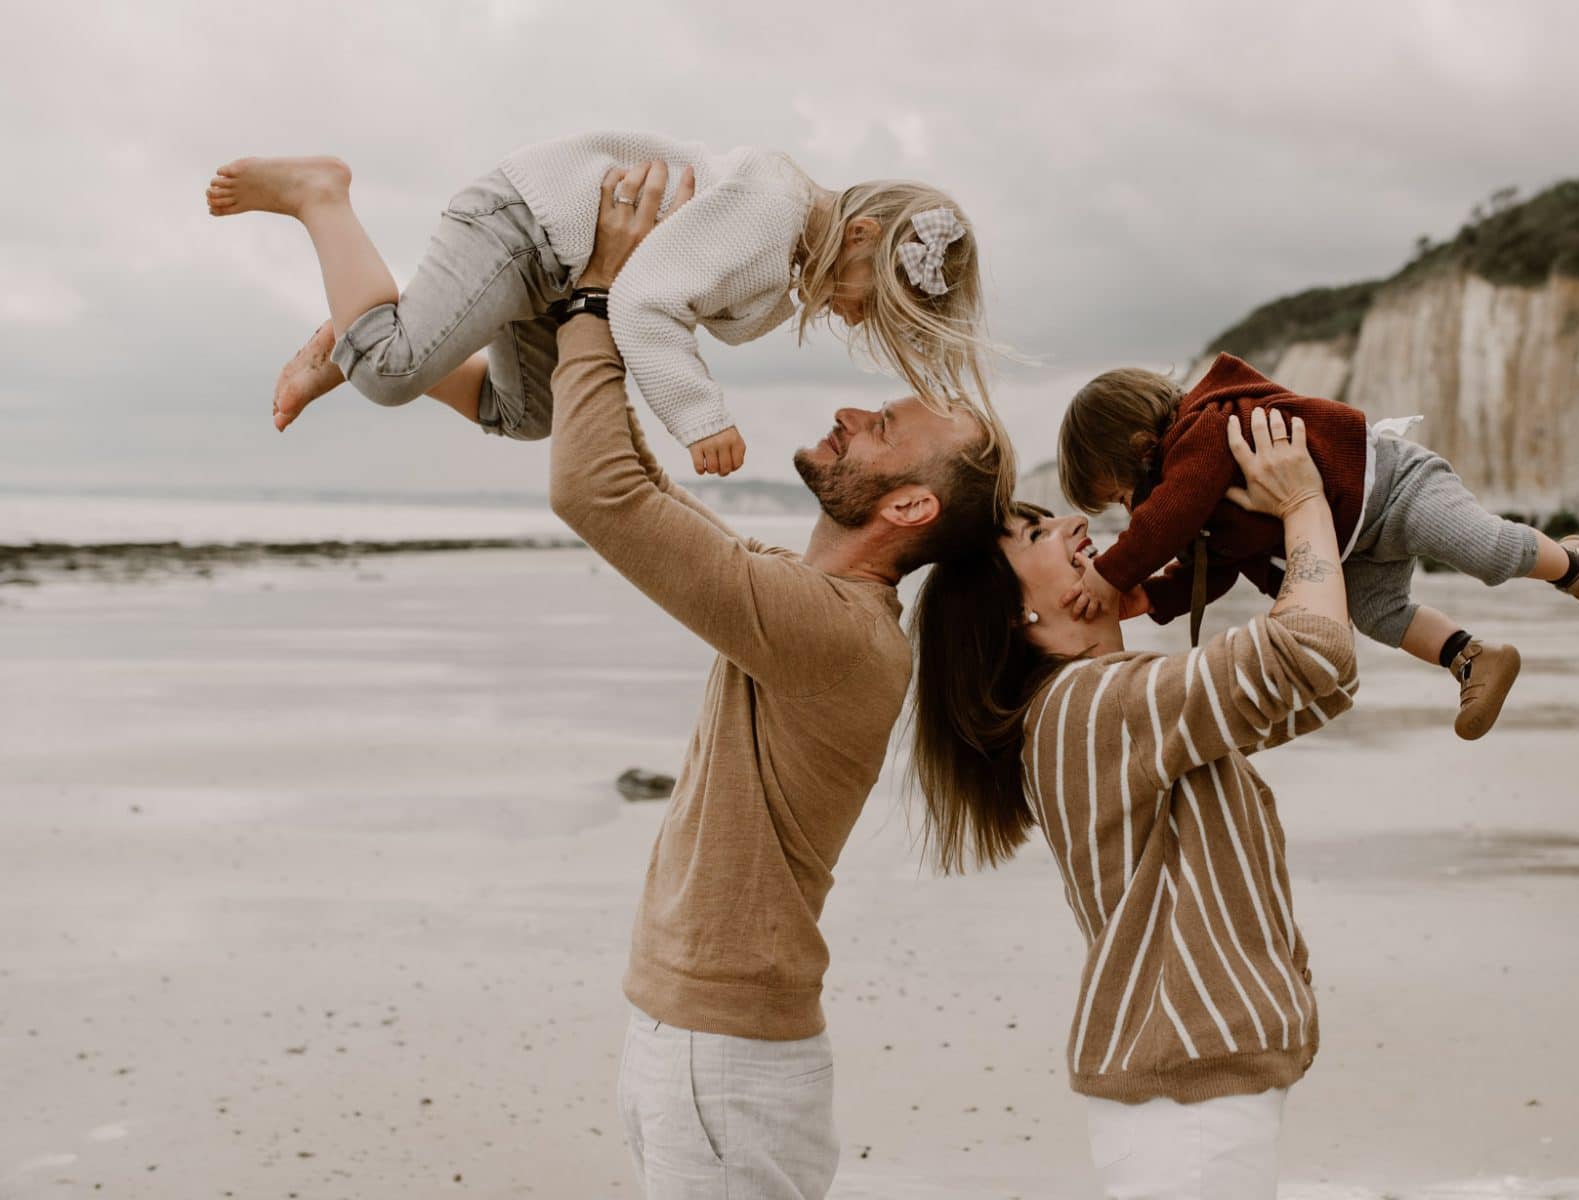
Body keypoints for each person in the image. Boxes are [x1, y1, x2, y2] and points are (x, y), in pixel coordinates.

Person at [550, 162, 1008, 1198]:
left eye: (882, 429)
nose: (851, 412)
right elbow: (635, 485)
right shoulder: (810, 609)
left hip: (719, 1059)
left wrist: (597, 298)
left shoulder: (830, 632)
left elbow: (595, 492)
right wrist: (628, 319)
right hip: (700, 1044)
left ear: (905, 512)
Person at [909, 407, 1357, 1198]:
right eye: (1037, 534)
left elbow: (1325, 685)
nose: (1079, 525)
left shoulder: (1105, 710)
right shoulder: (1092, 707)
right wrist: (1301, 506)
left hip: (1186, 1091)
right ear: (1017, 612)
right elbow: (1314, 652)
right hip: (1183, 1102)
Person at [204, 132, 994, 478]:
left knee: (526, 415)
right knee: (388, 372)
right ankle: (321, 199)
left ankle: (372, 322)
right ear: (857, 235)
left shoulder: (784, 260)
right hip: (526, 226)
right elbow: (648, 306)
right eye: (873, 302)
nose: (857, 319)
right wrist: (699, 416)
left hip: (556, 278)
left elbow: (666, 296)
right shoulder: (769, 215)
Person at [1053, 354, 1579, 739]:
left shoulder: (1206, 433)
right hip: (1349, 549)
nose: (1132, 509)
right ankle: (1472, 657)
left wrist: (1108, 574)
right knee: (1377, 614)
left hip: (1393, 488)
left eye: (1122, 493)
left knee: (1483, 549)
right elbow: (1213, 572)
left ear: (1140, 445)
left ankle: (1575, 566)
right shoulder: (1200, 512)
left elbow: (1162, 522)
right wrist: (1150, 598)